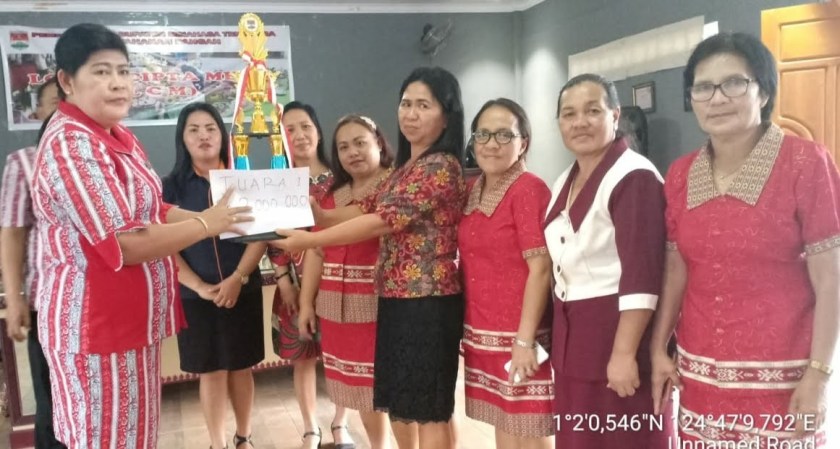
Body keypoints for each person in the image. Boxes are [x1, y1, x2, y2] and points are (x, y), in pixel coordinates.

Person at [28, 23, 250, 449]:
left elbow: (152, 209)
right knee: (105, 440)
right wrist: (208, 224)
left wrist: (214, 217)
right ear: (67, 81)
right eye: (101, 72)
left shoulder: (115, 135)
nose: (118, 83)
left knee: (134, 438)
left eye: (124, 71)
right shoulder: (72, 145)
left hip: (129, 326)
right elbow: (124, 243)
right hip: (95, 332)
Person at [650, 32, 839, 447]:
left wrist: (819, 375)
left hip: (784, 377)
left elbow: (831, 280)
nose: (717, 99)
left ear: (764, 92)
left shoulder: (806, 163)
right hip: (700, 375)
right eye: (703, 87)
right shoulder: (681, 173)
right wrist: (658, 348)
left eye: (734, 83)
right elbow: (676, 269)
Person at [271, 66, 467, 449]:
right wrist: (322, 216)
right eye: (406, 104)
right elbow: (365, 207)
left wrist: (313, 236)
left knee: (429, 410)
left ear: (446, 115)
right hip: (399, 300)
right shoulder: (407, 170)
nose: (411, 114)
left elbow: (380, 221)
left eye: (423, 105)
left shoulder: (439, 167)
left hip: (426, 301)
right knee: (413, 405)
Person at [545, 73, 673, 449]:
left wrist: (623, 354)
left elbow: (642, 274)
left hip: (616, 337)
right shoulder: (565, 179)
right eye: (569, 114)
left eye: (592, 111)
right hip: (574, 342)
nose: (579, 122)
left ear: (615, 115)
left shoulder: (634, 176)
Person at [162, 102, 266, 449]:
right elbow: (166, 245)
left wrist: (238, 277)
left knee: (241, 366)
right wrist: (198, 286)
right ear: (182, 138)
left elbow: (261, 234)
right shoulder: (170, 188)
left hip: (243, 288)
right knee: (210, 370)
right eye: (193, 130)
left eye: (210, 128)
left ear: (222, 135)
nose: (203, 136)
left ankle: (244, 437)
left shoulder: (244, 180)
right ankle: (217, 443)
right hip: (195, 295)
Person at [459, 98, 554, 449]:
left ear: (523, 143)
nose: (491, 144)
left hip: (520, 335)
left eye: (503, 135)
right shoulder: (474, 190)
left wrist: (524, 342)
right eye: (482, 134)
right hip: (483, 330)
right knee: (504, 421)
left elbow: (541, 269)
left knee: (530, 427)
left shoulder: (528, 189)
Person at [297, 114, 395, 449]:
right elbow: (316, 250)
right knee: (360, 391)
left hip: (382, 307)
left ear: (378, 143)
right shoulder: (332, 195)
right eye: (343, 147)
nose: (352, 152)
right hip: (336, 309)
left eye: (359, 143)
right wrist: (306, 303)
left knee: (388, 388)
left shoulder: (396, 187)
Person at [268, 101, 353, 449]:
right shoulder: (276, 181)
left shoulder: (341, 179)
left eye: (305, 126)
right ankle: (310, 428)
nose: (299, 135)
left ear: (318, 130)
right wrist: (284, 281)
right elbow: (272, 235)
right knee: (302, 360)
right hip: (293, 284)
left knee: (342, 358)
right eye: (289, 129)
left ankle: (340, 423)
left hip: (338, 283)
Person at [1, 76, 65, 449]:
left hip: (99, 306)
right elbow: (12, 233)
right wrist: (14, 298)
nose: (64, 111)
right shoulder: (24, 162)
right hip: (50, 305)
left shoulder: (102, 159)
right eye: (56, 102)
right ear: (38, 111)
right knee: (53, 404)